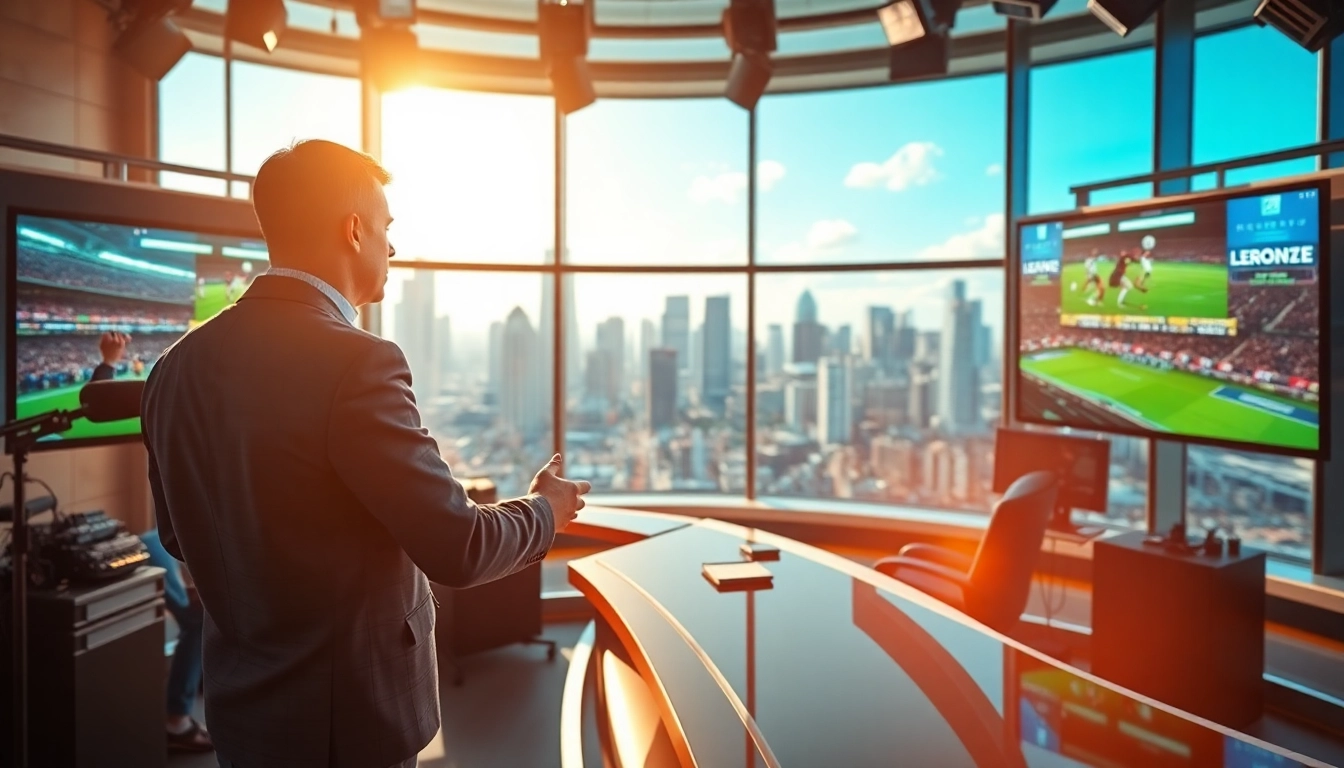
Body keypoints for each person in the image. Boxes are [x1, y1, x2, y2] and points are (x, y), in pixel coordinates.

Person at [140, 138, 590, 768]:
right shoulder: (357, 362)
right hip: (346, 723)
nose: (393, 246)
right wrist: (546, 508)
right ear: (354, 230)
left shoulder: (173, 368)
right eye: (386, 227)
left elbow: (180, 536)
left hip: (243, 711)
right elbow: (457, 547)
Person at [92, 332, 213, 753]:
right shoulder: (180, 390)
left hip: (169, 538)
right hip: (162, 540)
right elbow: (99, 401)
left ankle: (182, 707)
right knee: (199, 618)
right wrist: (109, 363)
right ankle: (176, 719)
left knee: (200, 616)